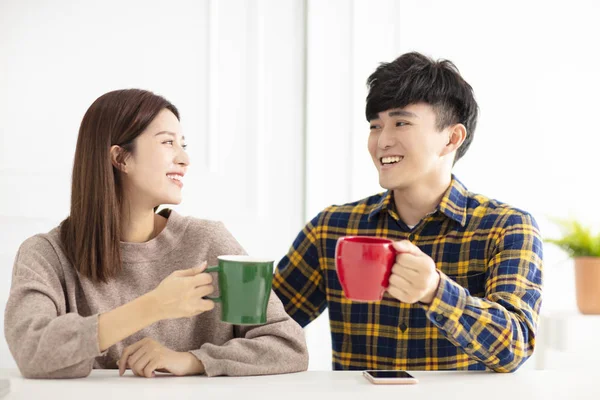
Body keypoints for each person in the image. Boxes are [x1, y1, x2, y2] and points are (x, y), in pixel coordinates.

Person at [4, 89, 308, 379]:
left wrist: (193, 361)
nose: (184, 159)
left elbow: (288, 346)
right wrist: (153, 306)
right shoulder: (46, 255)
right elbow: (31, 352)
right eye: (167, 143)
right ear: (121, 158)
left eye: (183, 145)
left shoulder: (207, 241)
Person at [273, 52, 543, 372]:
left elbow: (515, 346)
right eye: (375, 126)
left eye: (401, 123)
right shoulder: (331, 228)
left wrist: (435, 292)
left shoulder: (507, 227)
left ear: (451, 138)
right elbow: (263, 328)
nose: (382, 141)